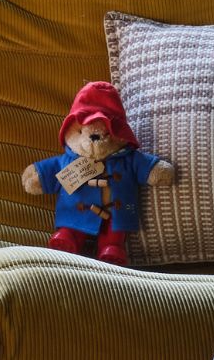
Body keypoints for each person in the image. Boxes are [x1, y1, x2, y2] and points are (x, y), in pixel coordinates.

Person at [23, 82, 174, 265]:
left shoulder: (130, 159)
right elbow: (46, 173)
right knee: (71, 227)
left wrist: (157, 170)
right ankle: (69, 237)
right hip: (73, 214)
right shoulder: (67, 161)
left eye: (107, 132)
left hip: (115, 215)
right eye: (81, 131)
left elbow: (150, 169)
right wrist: (37, 177)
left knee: (114, 233)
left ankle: (111, 247)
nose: (94, 140)